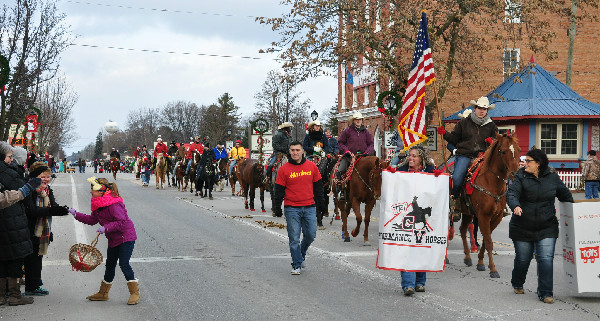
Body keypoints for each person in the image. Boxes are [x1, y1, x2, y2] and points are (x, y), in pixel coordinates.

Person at [507, 149, 573, 304]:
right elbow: (512, 194)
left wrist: (574, 213)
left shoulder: (552, 177)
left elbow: (566, 196)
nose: (524, 163)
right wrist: (515, 205)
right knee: (523, 259)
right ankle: (517, 283)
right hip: (522, 225)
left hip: (547, 226)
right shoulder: (520, 176)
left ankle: (545, 293)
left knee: (545, 259)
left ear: (538, 163)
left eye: (528, 161)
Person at [69, 177, 139, 305]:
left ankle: (134, 293)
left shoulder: (114, 204)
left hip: (126, 237)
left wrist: (106, 227)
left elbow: (122, 221)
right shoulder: (99, 205)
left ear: (101, 191)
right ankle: (103, 293)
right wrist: (75, 214)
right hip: (113, 239)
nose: (90, 192)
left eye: (92, 189)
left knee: (124, 264)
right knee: (110, 265)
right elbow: (92, 220)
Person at [437, 96, 498, 221]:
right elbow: (454, 139)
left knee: (496, 175)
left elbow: (496, 143)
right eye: (480, 108)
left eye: (485, 109)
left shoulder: (491, 126)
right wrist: (445, 134)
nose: (482, 111)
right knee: (458, 178)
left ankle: (499, 203)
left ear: (487, 111)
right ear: (475, 108)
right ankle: (456, 206)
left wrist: (492, 142)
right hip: (464, 155)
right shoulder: (463, 123)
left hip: (482, 157)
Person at [0, 142, 44, 306]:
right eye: (9, 157)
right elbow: (19, 194)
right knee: (16, 259)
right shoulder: (8, 172)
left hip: (7, 222)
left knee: (2, 259)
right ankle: (15, 296)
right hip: (11, 221)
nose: (11, 160)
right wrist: (27, 188)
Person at [271, 141, 325, 275]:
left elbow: (318, 188)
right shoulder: (284, 169)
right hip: (291, 208)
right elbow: (278, 191)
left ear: (303, 151)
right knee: (294, 238)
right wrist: (277, 207)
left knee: (311, 235)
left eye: (297, 150)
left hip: (309, 207)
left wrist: (322, 205)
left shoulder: (312, 167)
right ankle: (296, 264)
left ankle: (301, 253)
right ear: (289, 152)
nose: (295, 153)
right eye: (292, 150)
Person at [22, 162, 69, 296]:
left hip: (42, 230)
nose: (46, 179)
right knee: (30, 259)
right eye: (43, 176)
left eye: (48, 176)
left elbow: (52, 206)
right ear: (35, 177)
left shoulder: (48, 190)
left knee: (37, 258)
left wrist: (60, 210)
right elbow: (31, 210)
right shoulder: (28, 189)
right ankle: (30, 286)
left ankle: (34, 284)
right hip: (29, 228)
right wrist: (51, 210)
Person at [395, 145, 436, 295]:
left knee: (420, 247)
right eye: (409, 155)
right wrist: (390, 175)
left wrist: (439, 178)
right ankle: (408, 285)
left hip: (423, 216)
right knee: (406, 248)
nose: (410, 159)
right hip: (406, 215)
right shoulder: (401, 170)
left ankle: (420, 282)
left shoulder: (430, 171)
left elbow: (437, 191)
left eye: (414, 156)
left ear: (421, 158)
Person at [336, 111, 374, 200]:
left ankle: (372, 190)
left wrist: (366, 153)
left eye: (360, 119)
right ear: (353, 120)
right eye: (356, 119)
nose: (358, 121)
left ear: (362, 120)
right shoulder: (347, 131)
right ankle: (341, 191)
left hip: (363, 157)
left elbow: (371, 144)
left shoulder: (366, 132)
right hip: (349, 157)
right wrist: (347, 151)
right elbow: (340, 143)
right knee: (340, 170)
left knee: (374, 172)